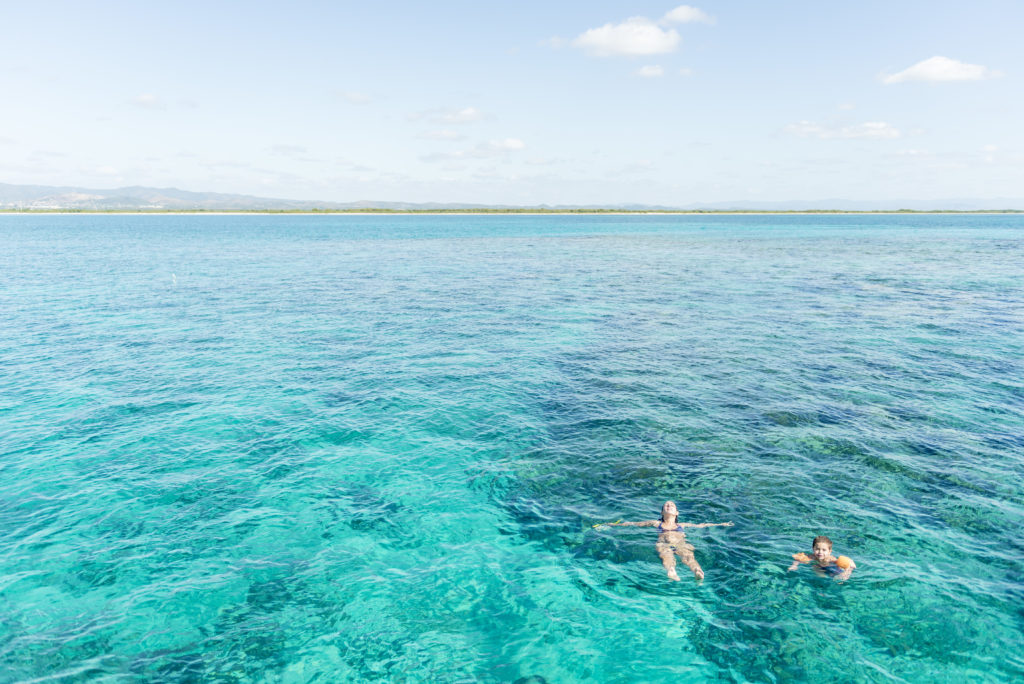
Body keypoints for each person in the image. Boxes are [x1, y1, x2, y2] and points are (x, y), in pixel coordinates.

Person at [598, 501, 733, 581]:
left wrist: (721, 524)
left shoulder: (682, 525)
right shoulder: (656, 523)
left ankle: (697, 571)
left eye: (672, 505)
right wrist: (611, 524)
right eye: (666, 506)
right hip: (663, 543)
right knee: (666, 556)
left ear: (677, 513)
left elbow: (702, 525)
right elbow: (634, 523)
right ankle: (671, 571)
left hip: (680, 543)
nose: (669, 505)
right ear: (662, 512)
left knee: (688, 556)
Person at [788, 535, 855, 581]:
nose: (820, 552)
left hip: (831, 567)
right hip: (818, 567)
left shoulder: (831, 559)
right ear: (813, 549)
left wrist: (847, 572)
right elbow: (797, 559)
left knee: (839, 579)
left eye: (824, 550)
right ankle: (822, 582)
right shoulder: (811, 557)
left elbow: (851, 564)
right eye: (817, 549)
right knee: (816, 567)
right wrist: (794, 565)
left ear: (829, 551)